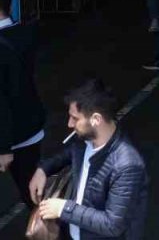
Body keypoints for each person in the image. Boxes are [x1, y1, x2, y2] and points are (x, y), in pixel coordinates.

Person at [29, 78, 148, 240]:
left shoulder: (127, 165)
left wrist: (64, 209)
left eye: (75, 118)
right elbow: (68, 154)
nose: (70, 124)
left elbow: (112, 225)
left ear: (96, 119)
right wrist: (42, 169)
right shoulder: (84, 141)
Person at [0, 0, 43, 210]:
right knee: (35, 195)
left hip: (9, 137)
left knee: (34, 198)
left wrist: (4, 148)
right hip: (30, 128)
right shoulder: (26, 33)